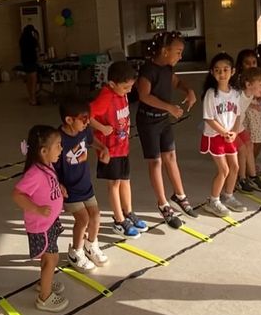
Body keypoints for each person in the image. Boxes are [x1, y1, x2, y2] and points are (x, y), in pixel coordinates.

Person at [136, 31, 198, 229]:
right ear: (164, 51)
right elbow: (144, 96)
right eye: (178, 52)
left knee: (171, 157)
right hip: (148, 121)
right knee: (156, 162)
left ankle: (179, 195)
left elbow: (177, 81)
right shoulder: (148, 70)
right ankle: (163, 203)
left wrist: (188, 90)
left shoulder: (168, 68)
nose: (180, 56)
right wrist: (169, 107)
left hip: (163, 121)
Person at [13, 125, 68, 313]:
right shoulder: (35, 173)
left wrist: (58, 186)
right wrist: (36, 208)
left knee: (49, 258)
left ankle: (45, 283)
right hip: (40, 225)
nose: (61, 149)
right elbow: (18, 194)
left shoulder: (47, 166)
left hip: (50, 222)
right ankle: (44, 298)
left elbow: (48, 183)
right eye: (58, 145)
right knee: (51, 259)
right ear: (44, 151)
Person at [90, 61, 148, 239]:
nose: (129, 91)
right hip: (110, 150)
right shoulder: (106, 96)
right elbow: (88, 115)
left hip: (122, 147)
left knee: (125, 180)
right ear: (113, 84)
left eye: (131, 87)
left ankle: (128, 212)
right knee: (114, 184)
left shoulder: (121, 93)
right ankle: (119, 220)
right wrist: (102, 128)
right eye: (125, 87)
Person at [54, 99, 109, 273]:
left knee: (96, 215)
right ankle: (75, 252)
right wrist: (58, 184)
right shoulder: (57, 139)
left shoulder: (84, 132)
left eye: (88, 118)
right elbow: (48, 164)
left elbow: (92, 142)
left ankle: (90, 245)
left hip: (85, 184)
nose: (87, 122)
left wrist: (103, 149)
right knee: (83, 219)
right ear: (69, 120)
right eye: (83, 119)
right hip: (69, 190)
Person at [201, 53, 247, 217]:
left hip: (229, 135)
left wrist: (234, 131)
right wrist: (224, 132)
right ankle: (213, 201)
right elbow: (208, 118)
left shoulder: (235, 93)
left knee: (235, 167)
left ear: (233, 71)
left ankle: (228, 196)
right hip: (215, 136)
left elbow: (238, 115)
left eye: (225, 69)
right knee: (224, 170)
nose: (222, 73)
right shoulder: (211, 94)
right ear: (212, 73)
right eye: (218, 70)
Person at [234, 67, 261, 192]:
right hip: (231, 127)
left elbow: (247, 104)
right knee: (242, 150)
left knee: (249, 146)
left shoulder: (249, 95)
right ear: (248, 84)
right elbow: (234, 114)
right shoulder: (237, 96)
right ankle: (241, 179)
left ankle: (253, 176)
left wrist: (254, 104)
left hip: (239, 126)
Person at [19, 24, 40, 106]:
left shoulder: (21, 39)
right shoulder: (33, 39)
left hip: (25, 61)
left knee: (28, 80)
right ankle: (34, 98)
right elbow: (37, 49)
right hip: (32, 60)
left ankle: (30, 98)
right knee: (34, 80)